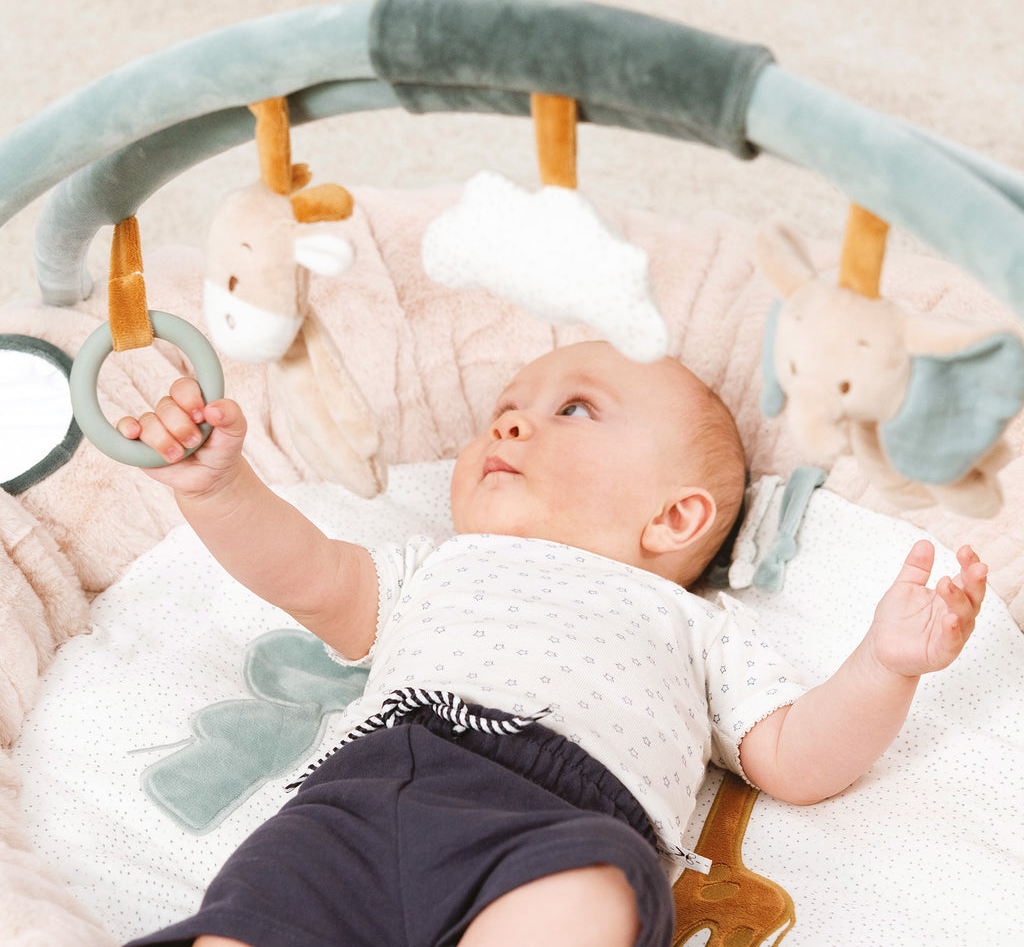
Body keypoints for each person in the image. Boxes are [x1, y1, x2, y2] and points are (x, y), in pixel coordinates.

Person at [118, 340, 986, 947]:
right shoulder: (438, 565)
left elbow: (797, 758)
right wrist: (222, 489)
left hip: (565, 822)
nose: (507, 424)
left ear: (674, 516)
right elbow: (304, 570)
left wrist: (884, 664)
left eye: (573, 409)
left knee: (586, 899)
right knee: (266, 898)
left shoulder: (694, 625)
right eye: (503, 410)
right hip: (371, 792)